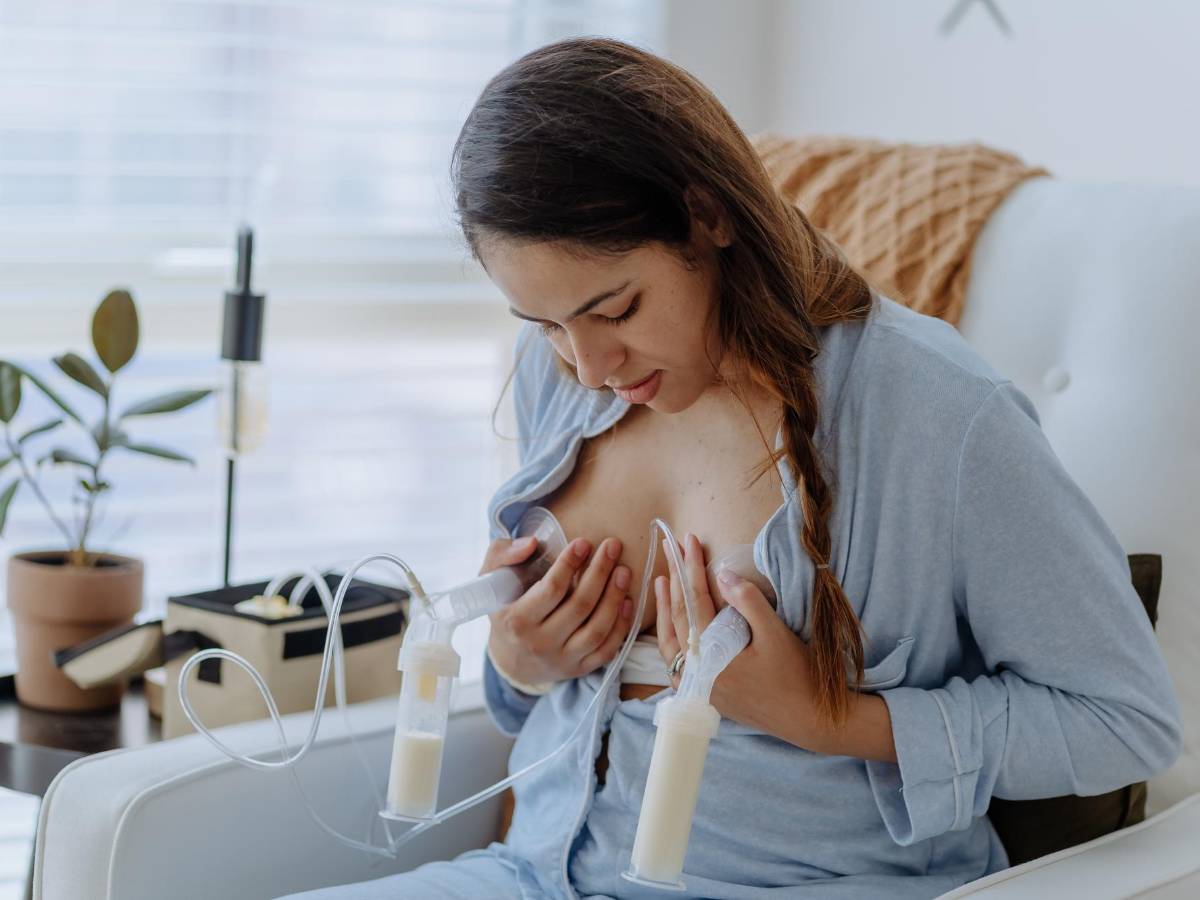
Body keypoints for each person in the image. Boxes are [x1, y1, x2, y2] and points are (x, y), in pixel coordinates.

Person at [279, 37, 1181, 900]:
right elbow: (525, 716)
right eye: (546, 325)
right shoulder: (557, 380)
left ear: (707, 214)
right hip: (531, 874)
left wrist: (830, 718)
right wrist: (518, 663)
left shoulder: (938, 415)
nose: (591, 367)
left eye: (616, 307)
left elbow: (1125, 721)